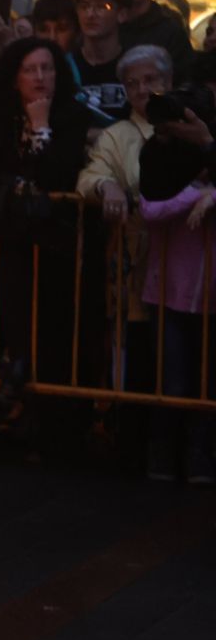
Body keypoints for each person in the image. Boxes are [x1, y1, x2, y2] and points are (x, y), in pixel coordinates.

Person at [0, 37, 95, 453]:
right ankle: (7, 406)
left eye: (48, 69)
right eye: (30, 69)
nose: (40, 78)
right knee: (9, 322)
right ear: (14, 76)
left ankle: (54, 422)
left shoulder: (72, 115)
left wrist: (41, 128)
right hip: (8, 238)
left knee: (56, 329)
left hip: (55, 241)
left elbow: (57, 176)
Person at [79, 45, 169, 427]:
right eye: (132, 83)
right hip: (137, 263)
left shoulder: (197, 124)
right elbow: (90, 175)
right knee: (138, 349)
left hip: (189, 263)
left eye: (150, 80)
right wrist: (106, 187)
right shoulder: (118, 135)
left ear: (168, 81)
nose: (142, 89)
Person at [138, 91, 216, 483]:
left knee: (208, 378)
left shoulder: (207, 147)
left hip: (210, 290)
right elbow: (150, 209)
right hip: (167, 287)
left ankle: (201, 457)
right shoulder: (157, 153)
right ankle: (162, 456)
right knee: (173, 378)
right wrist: (195, 193)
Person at [74, 0, 134, 118]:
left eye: (102, 6)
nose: (90, 14)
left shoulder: (134, 68)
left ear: (122, 14)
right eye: (84, 6)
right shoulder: (65, 66)